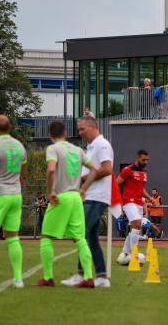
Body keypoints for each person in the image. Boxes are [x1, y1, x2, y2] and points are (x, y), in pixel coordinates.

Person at [37, 120, 97, 287]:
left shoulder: (53, 149)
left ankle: (48, 277)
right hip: (75, 198)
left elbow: (50, 170)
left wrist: (50, 193)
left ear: (50, 135)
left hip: (61, 196)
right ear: (65, 133)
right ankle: (88, 277)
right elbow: (94, 170)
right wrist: (83, 189)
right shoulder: (77, 150)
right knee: (80, 239)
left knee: (47, 236)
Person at [62, 116, 114, 288]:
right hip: (91, 196)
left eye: (82, 129)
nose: (80, 132)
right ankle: (101, 277)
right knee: (91, 238)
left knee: (80, 233)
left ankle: (81, 274)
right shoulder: (92, 147)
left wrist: (83, 180)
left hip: (96, 197)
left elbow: (107, 169)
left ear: (92, 127)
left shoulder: (102, 144)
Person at [0, 115, 27, 288]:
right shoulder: (19, 146)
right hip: (16, 194)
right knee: (13, 238)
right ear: (10, 128)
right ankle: (18, 278)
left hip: (1, 194)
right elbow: (23, 173)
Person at [116, 150, 152, 262]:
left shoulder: (145, 173)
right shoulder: (128, 170)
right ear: (137, 158)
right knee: (136, 223)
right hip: (128, 202)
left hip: (139, 203)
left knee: (135, 228)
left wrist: (149, 198)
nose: (146, 162)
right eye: (143, 160)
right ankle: (134, 253)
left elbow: (141, 190)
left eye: (147, 160)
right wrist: (118, 202)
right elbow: (116, 183)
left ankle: (125, 253)